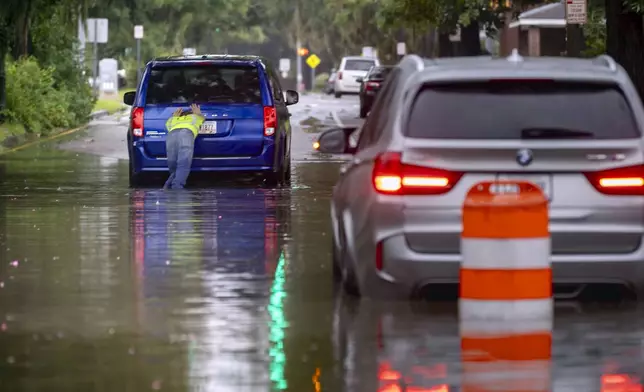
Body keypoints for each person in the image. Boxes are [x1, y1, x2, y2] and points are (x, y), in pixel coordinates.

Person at [164, 103, 205, 189]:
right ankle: (177, 186)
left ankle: (168, 185)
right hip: (186, 134)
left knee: (173, 164)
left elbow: (168, 125)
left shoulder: (173, 120)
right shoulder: (195, 117)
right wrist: (198, 113)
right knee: (183, 163)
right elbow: (202, 118)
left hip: (172, 135)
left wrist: (174, 116)